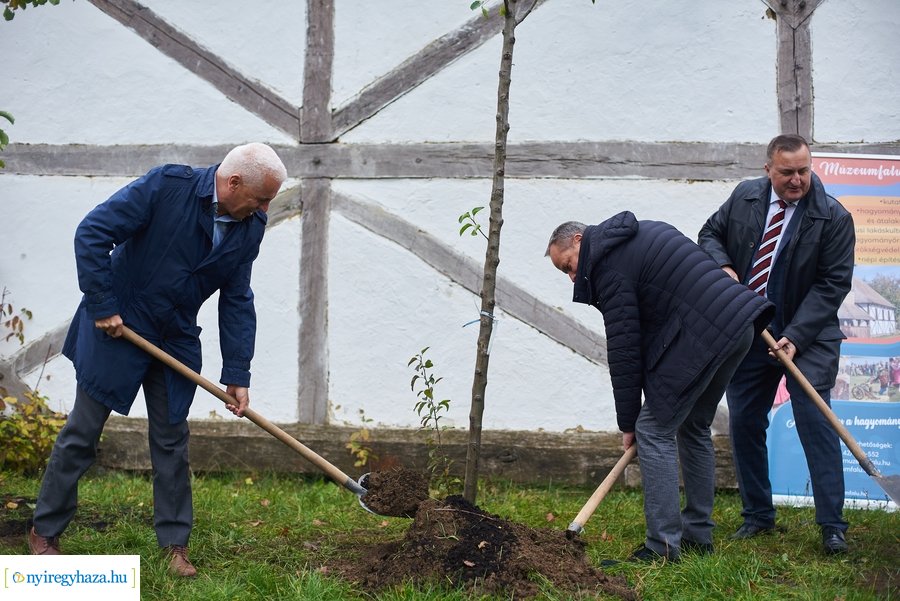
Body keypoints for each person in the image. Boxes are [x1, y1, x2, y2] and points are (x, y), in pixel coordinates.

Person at [27, 143, 288, 577]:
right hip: (118, 325)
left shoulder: (249, 226)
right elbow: (92, 231)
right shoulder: (167, 186)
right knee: (83, 431)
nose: (264, 208)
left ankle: (174, 546)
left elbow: (237, 298)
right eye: (261, 198)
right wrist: (103, 304)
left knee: (171, 441)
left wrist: (237, 371)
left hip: (176, 337)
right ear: (234, 182)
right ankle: (45, 531)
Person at [546, 212, 773, 562]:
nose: (573, 277)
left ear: (579, 240)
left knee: (653, 429)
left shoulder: (608, 267)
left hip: (706, 333)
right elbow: (657, 329)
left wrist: (629, 422)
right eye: (565, 273)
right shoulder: (641, 231)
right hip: (739, 326)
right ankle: (698, 534)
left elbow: (624, 349)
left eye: (569, 266)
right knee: (694, 425)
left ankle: (662, 546)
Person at [698, 134, 855, 554]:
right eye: (787, 172)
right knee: (746, 420)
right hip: (750, 329)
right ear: (768, 168)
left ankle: (832, 526)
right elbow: (709, 233)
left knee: (814, 421)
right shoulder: (745, 197)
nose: (798, 180)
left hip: (810, 335)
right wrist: (724, 266)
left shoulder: (833, 218)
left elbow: (832, 284)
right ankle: (758, 516)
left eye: (804, 170)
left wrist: (797, 336)